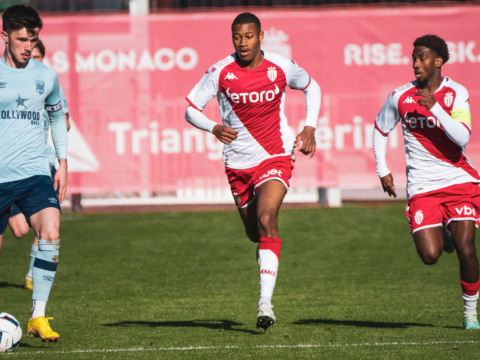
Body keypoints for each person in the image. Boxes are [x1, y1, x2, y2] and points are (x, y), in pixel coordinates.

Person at [185, 12, 321, 330]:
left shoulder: (281, 67)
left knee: (266, 218)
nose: (242, 42)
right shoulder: (220, 72)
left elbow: (312, 87)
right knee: (254, 233)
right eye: (237, 37)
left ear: (260, 36)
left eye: (248, 36)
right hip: (237, 164)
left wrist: (310, 126)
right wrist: (214, 127)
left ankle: (265, 305)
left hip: (275, 156)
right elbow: (191, 108)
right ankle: (265, 265)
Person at [374, 34, 480, 330]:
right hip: (423, 188)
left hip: (459, 181)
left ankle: (470, 313)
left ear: (438, 61)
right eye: (414, 58)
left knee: (467, 248)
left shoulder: (456, 93)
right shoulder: (399, 96)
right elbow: (380, 129)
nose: (415, 64)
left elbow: (462, 137)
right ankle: (443, 233)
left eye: (422, 58)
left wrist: (434, 107)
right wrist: (382, 168)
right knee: (430, 255)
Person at [0, 5, 68, 341]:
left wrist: (64, 162)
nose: (28, 46)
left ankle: (38, 316)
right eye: (22, 39)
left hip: (34, 173)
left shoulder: (46, 76)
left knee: (50, 231)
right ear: (5, 36)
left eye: (33, 39)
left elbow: (57, 117)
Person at [5, 38, 71, 292]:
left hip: (41, 166)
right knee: (20, 229)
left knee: (48, 226)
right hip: (8, 168)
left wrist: (50, 113)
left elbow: (64, 122)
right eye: (31, 56)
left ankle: (34, 278)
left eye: (39, 57)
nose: (35, 61)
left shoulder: (49, 83)